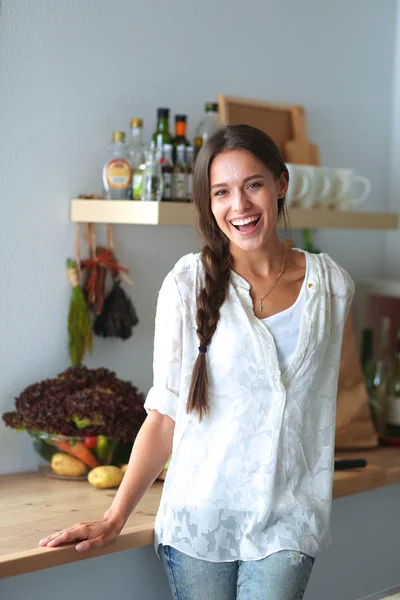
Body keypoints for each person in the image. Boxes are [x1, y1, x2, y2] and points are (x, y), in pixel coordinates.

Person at [39, 124, 354, 600]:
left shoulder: (331, 287)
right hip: (198, 519)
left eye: (253, 185)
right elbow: (165, 417)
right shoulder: (187, 284)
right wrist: (113, 518)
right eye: (221, 192)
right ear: (209, 204)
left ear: (280, 184)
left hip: (289, 517)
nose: (240, 206)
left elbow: (313, 406)